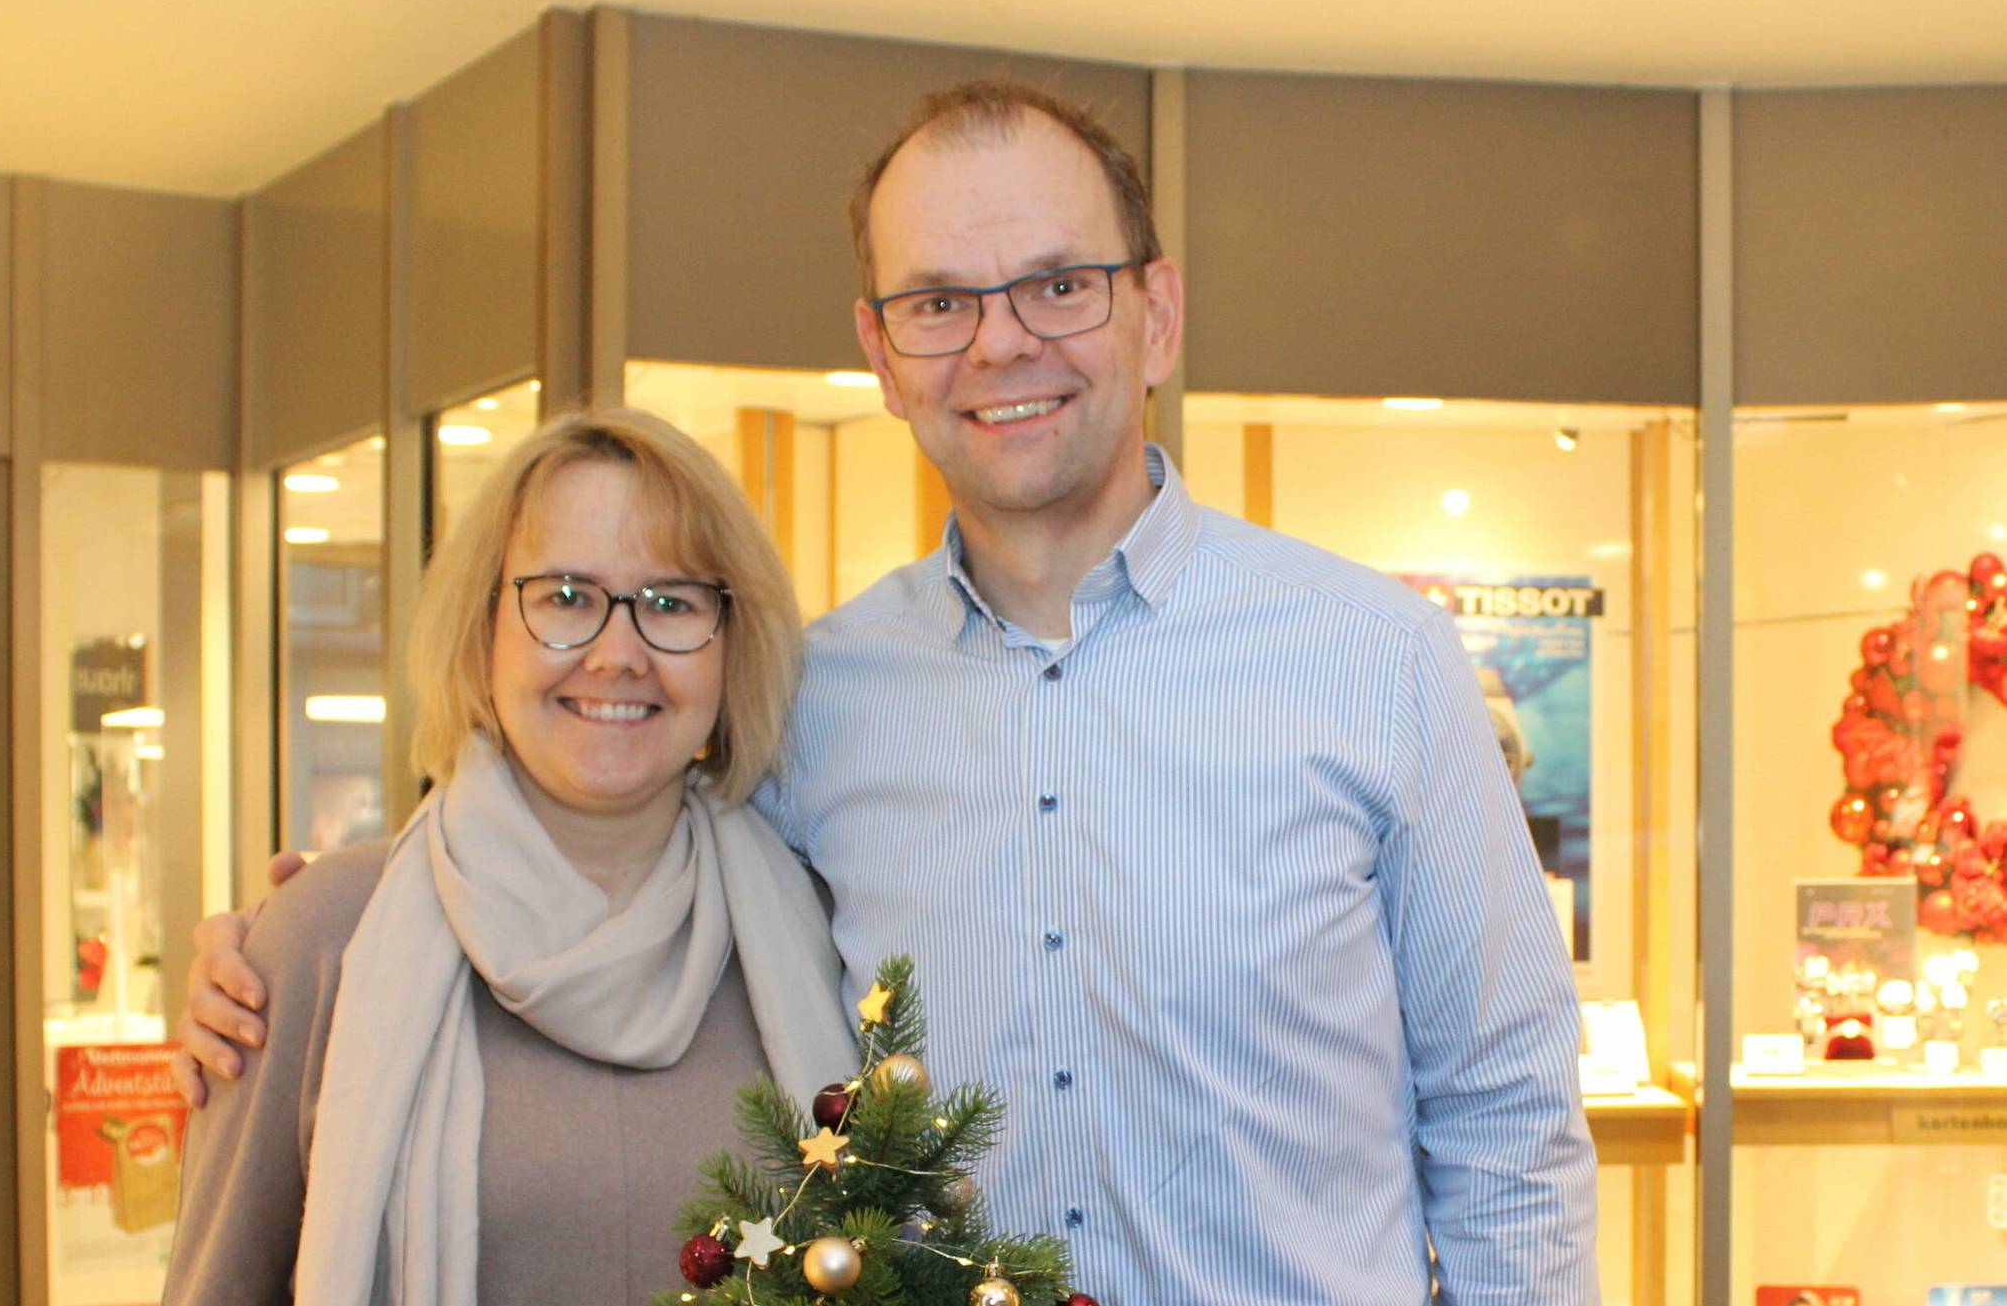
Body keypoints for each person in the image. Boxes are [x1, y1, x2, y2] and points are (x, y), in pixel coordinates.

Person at [179, 82, 1598, 1303]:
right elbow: (590, 855)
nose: (999, 343)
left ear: (1155, 314)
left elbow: (1506, 1121)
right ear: (879, 350)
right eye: (939, 301)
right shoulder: (808, 706)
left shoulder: (1372, 661)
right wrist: (295, 944)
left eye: (1058, 283)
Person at [162, 411, 856, 1304]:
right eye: (565, 596)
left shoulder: (815, 931)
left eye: (671, 603)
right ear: (484, 624)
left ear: (733, 642)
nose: (617, 653)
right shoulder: (326, 937)